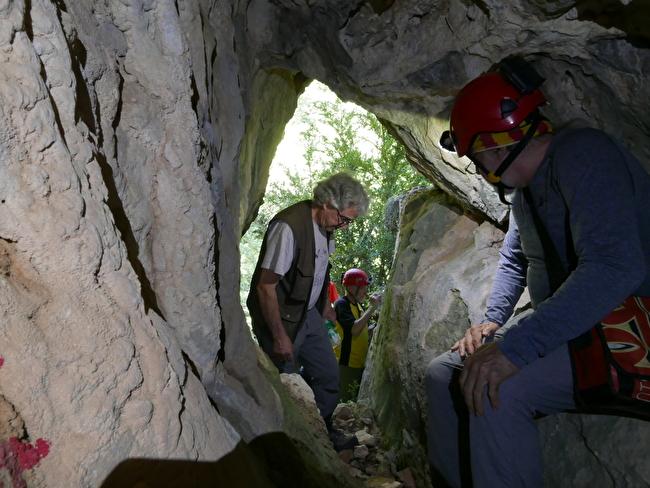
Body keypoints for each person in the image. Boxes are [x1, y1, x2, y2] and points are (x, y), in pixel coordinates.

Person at [426, 56, 650, 487]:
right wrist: (492, 322)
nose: (479, 168)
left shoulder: (584, 155)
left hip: (629, 323)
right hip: (583, 324)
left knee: (497, 390)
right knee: (444, 373)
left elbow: (614, 266)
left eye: (477, 155)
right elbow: (515, 259)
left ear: (494, 144)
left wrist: (514, 350)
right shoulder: (527, 195)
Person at [247, 172, 369, 451]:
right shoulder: (288, 228)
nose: (345, 226)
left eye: (349, 221)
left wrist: (325, 304)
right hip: (280, 317)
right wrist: (279, 337)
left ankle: (321, 431)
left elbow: (321, 268)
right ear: (327, 202)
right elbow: (266, 288)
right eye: (344, 219)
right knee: (286, 383)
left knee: (328, 376)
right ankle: (287, 445)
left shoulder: (328, 228)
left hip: (310, 314)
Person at [333, 268, 383, 401]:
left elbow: (362, 330)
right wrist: (372, 308)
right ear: (351, 287)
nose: (365, 291)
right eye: (362, 287)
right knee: (343, 404)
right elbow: (354, 330)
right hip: (346, 365)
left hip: (358, 364)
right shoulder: (342, 304)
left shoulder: (358, 306)